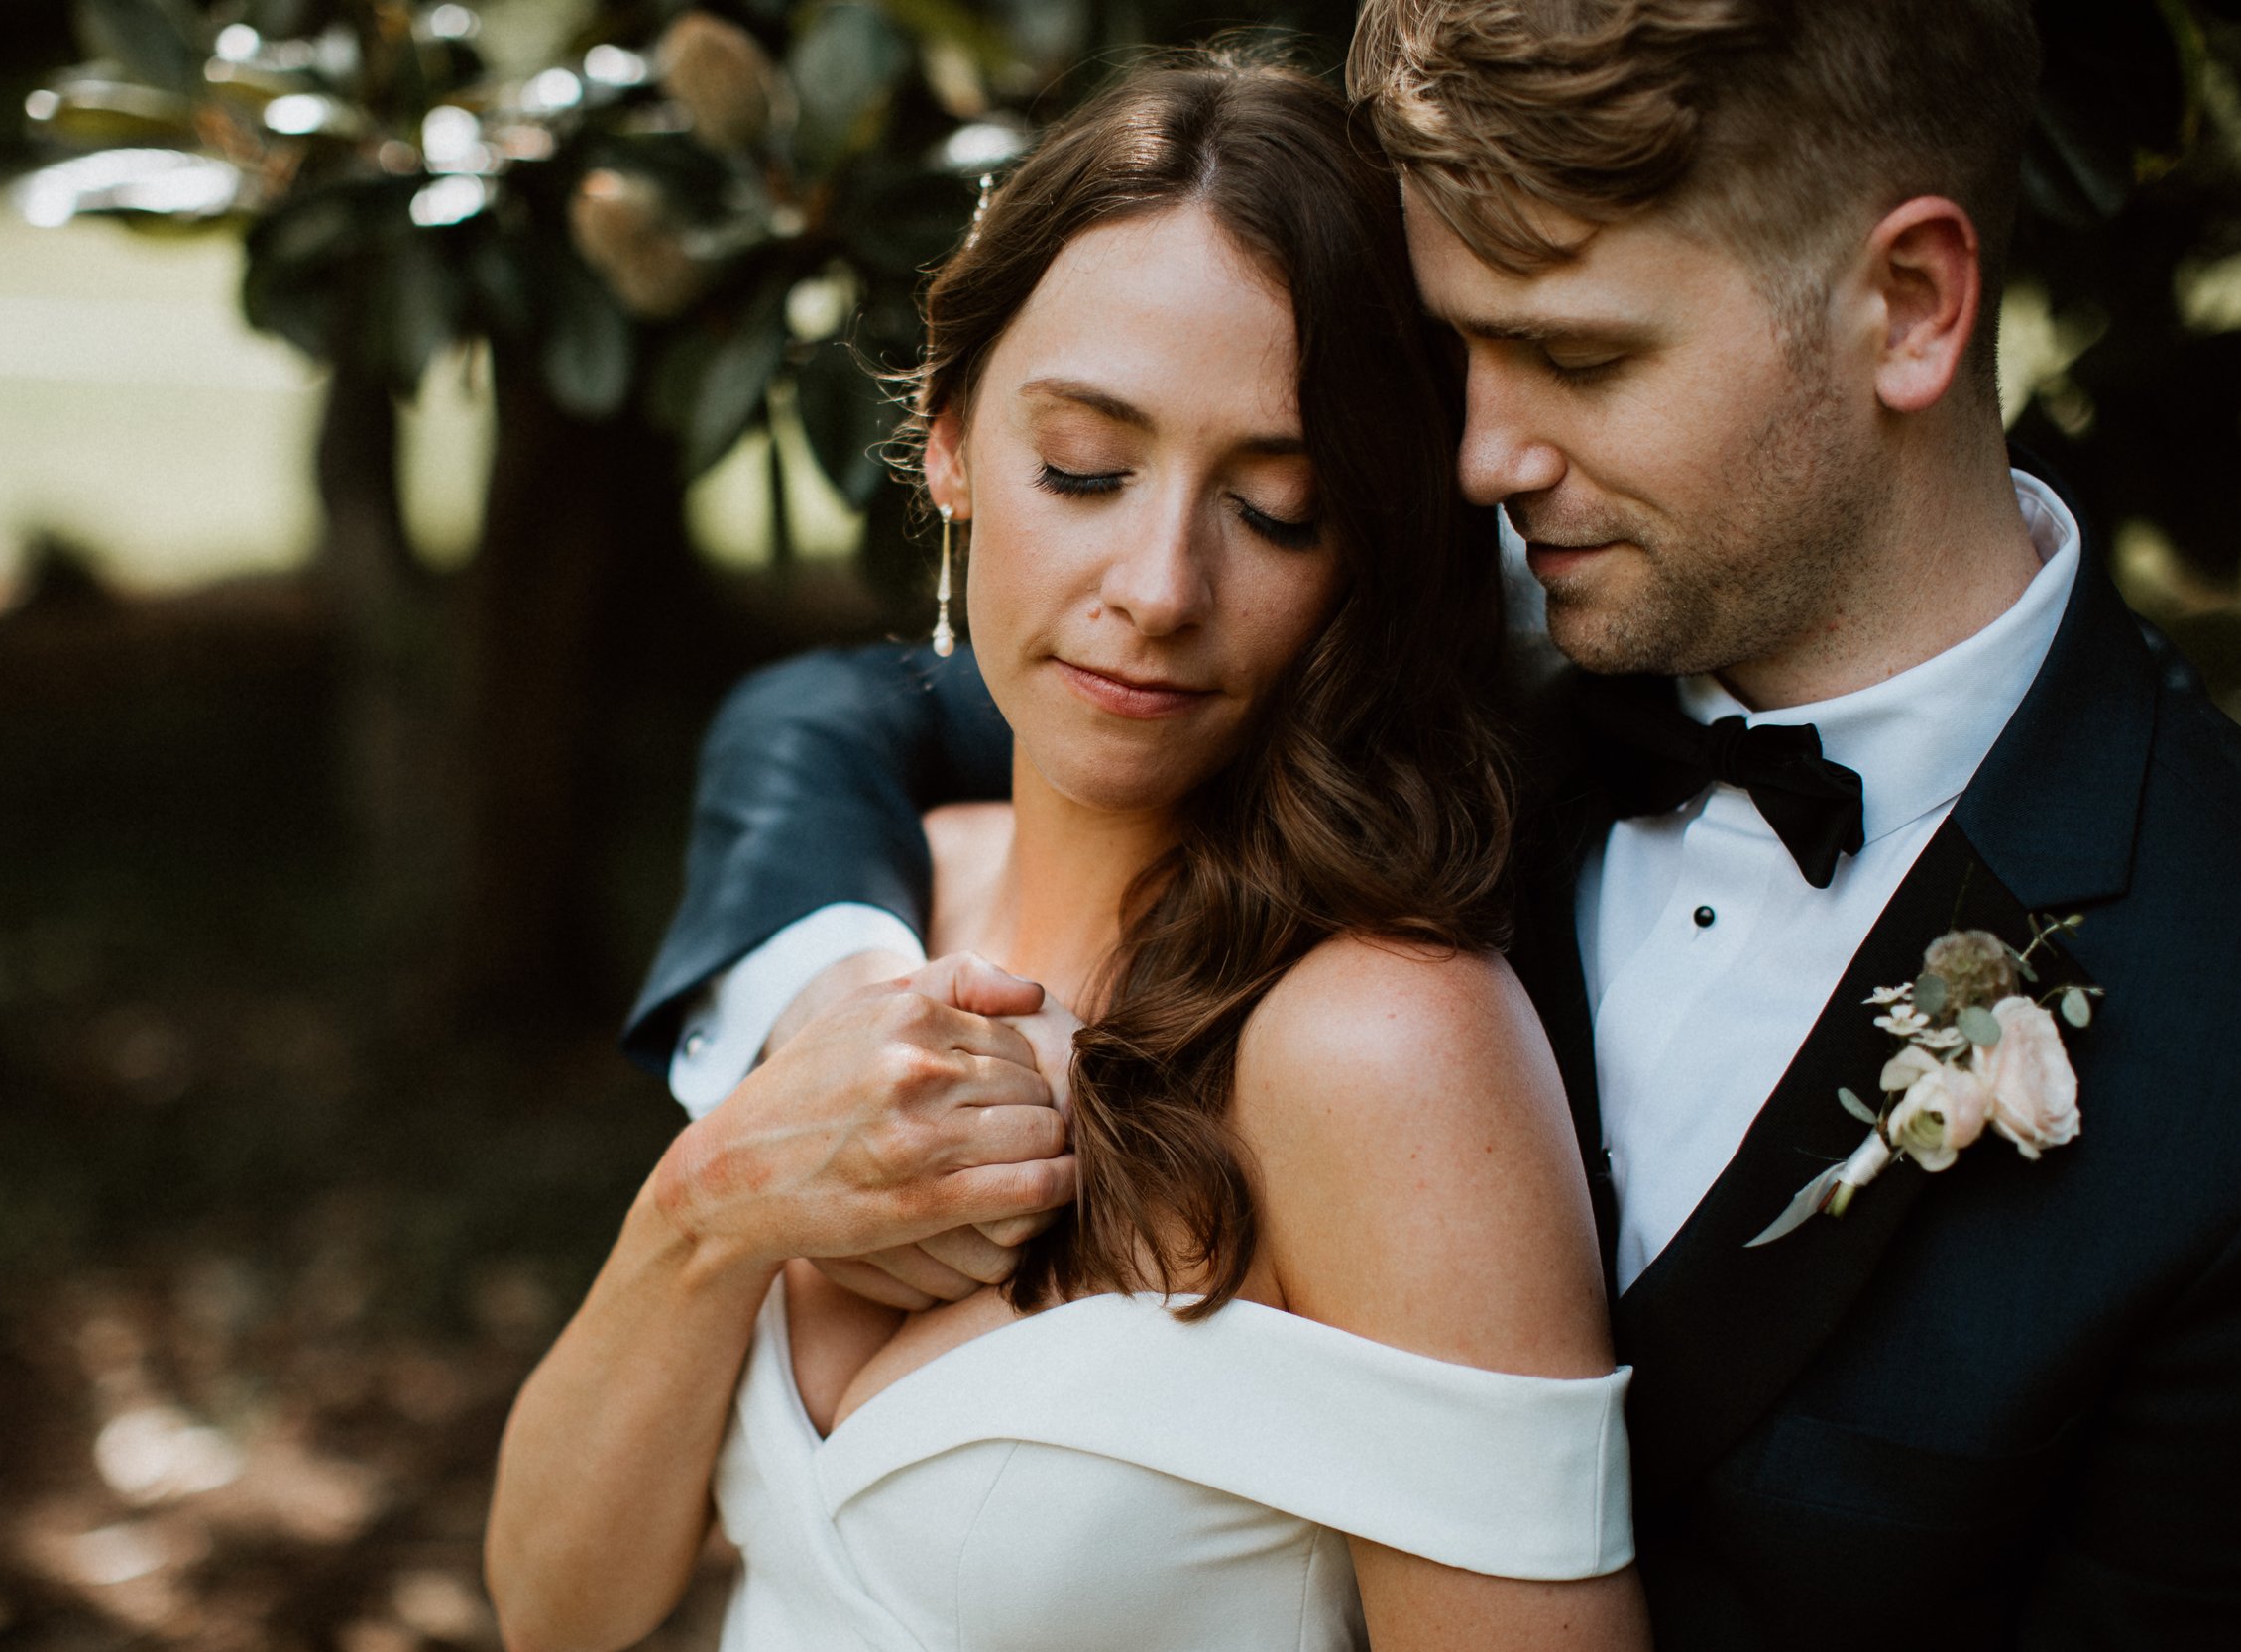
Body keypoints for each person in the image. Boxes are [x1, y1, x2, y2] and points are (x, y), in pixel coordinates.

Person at [622, 1, 2241, 1647]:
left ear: (1908, 306)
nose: (1475, 457)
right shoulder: (1428, 696)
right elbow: (853, 709)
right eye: (1462, 352)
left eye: (1585, 357)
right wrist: (810, 997)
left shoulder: (2217, 1038)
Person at [487, 50, 1649, 1652]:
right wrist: (715, 1202)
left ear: (1369, 553)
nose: (1160, 583)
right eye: (1087, 469)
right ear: (953, 442)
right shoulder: (889, 917)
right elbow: (560, 1606)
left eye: (1280, 508)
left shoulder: (1385, 1049)